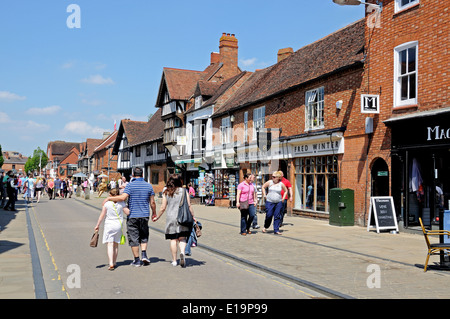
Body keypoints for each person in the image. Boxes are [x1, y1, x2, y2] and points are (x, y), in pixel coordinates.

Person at [104, 167, 156, 267]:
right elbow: (152, 202)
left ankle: (137, 260)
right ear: (142, 174)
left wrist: (109, 198)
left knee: (134, 237)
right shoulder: (149, 186)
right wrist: (154, 213)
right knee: (144, 235)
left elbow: (123, 197)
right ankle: (144, 254)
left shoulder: (130, 186)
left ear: (133, 174)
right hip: (145, 214)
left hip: (133, 215)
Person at [153, 174, 195, 267]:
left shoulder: (166, 192)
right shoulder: (184, 191)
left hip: (171, 218)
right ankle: (183, 253)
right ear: (180, 181)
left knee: (173, 239)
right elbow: (189, 205)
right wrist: (193, 216)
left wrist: (157, 217)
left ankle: (174, 261)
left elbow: (163, 207)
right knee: (182, 238)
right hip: (183, 218)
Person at [95, 188, 130, 271]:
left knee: (110, 244)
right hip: (118, 225)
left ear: (110, 195)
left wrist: (97, 225)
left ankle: (110, 263)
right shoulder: (121, 203)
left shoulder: (107, 204)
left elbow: (102, 215)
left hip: (109, 225)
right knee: (116, 244)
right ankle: (114, 262)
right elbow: (128, 212)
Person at [261, 171, 288, 235]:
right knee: (269, 215)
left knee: (277, 216)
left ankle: (276, 229)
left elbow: (286, 191)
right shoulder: (269, 182)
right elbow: (263, 187)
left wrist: (283, 198)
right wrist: (264, 195)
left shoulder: (281, 184)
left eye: (274, 177)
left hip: (278, 202)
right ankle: (266, 226)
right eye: (272, 176)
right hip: (270, 201)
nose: (272, 178)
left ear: (278, 177)